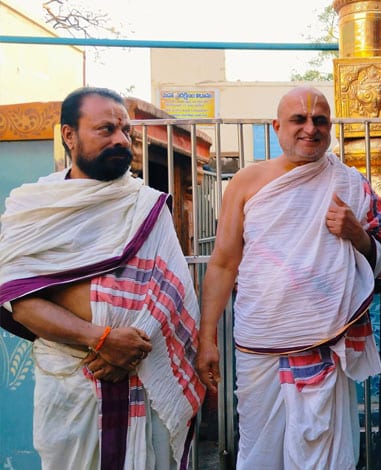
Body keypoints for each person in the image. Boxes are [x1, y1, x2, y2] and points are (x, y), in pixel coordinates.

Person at [0, 87, 204, 469]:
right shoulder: (34, 209)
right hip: (69, 382)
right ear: (69, 135)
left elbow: (173, 298)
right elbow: (19, 299)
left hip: (141, 372)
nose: (121, 140)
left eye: (125, 131)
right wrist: (102, 340)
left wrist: (128, 351)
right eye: (106, 129)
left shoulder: (147, 207)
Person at [195, 86, 381, 469]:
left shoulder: (351, 184)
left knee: (325, 454)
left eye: (320, 120)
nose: (310, 128)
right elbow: (222, 264)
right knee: (260, 452)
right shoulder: (246, 182)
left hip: (325, 342)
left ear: (331, 127)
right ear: (277, 127)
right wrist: (207, 339)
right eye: (299, 120)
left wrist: (357, 235)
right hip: (260, 342)